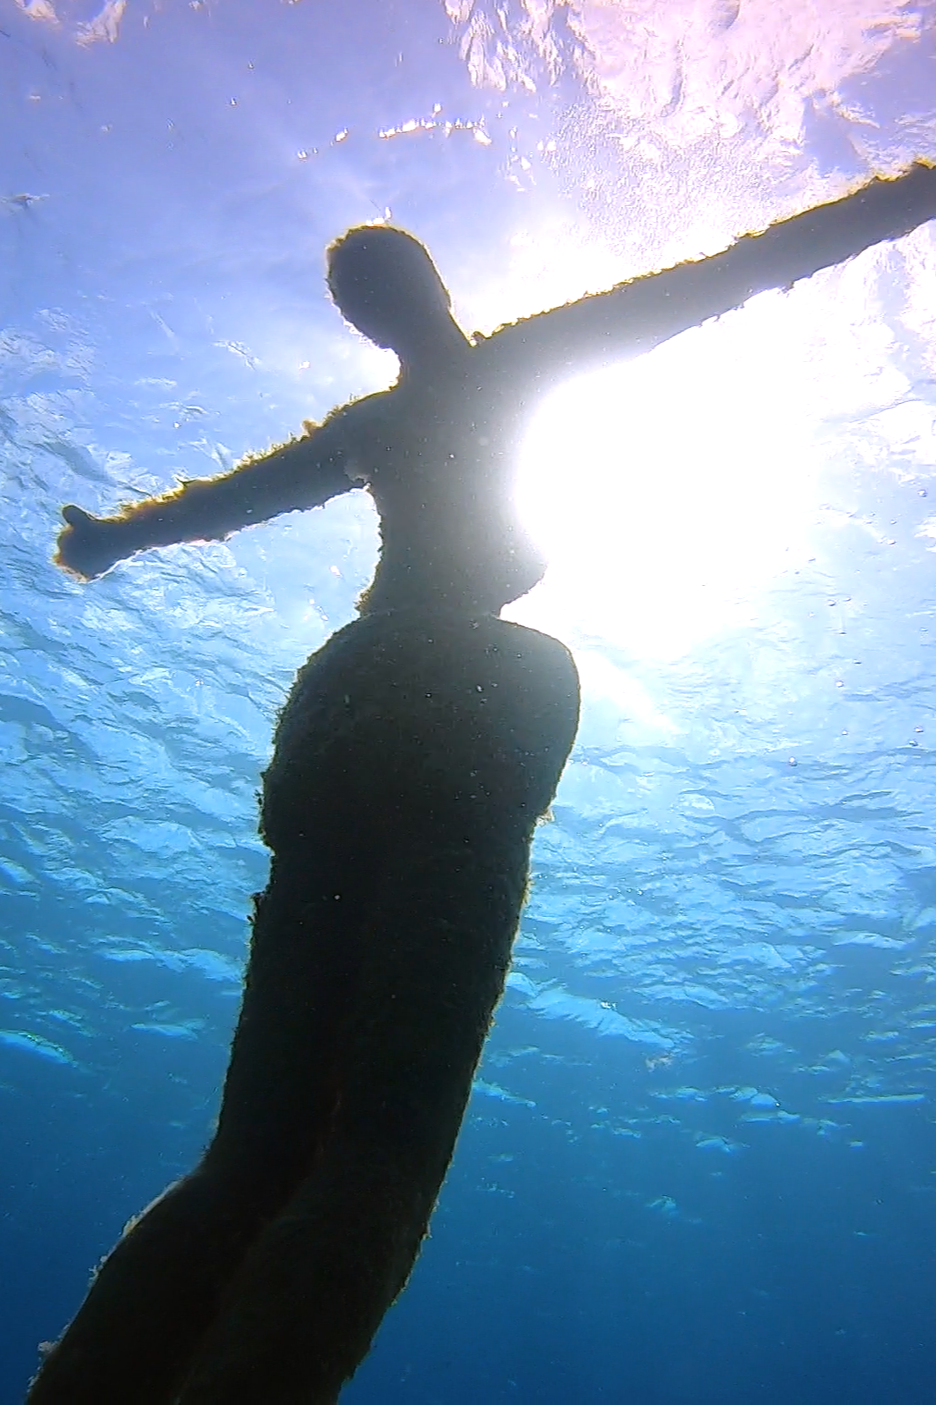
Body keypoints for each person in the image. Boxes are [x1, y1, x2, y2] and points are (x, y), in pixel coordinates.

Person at [29, 162, 936, 1404]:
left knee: (247, 1157)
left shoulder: (366, 429)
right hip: (468, 699)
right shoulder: (520, 360)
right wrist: (909, 197)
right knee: (381, 1153)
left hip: (345, 700)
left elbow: (236, 498)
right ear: (431, 286)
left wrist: (112, 538)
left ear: (362, 320)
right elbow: (733, 271)